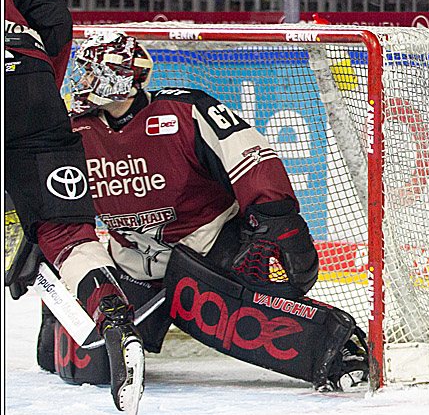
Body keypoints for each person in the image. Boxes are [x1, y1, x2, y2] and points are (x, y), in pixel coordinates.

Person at [38, 30, 371, 395]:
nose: (82, 82)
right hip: (131, 264)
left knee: (227, 314)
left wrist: (281, 220)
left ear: (122, 77)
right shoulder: (72, 131)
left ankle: (337, 345)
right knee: (91, 363)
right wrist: (37, 236)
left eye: (92, 73)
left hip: (210, 250)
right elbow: (54, 198)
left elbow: (252, 159)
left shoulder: (185, 109)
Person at [4, 0, 142, 415]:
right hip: (30, 76)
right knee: (70, 235)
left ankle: (23, 224)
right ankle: (118, 322)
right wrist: (41, 78)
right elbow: (55, 15)